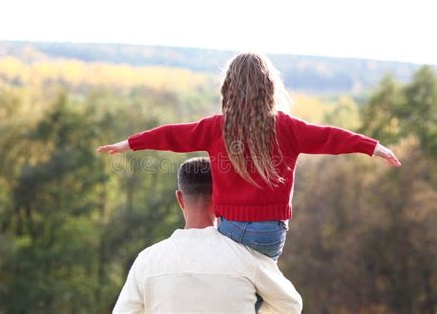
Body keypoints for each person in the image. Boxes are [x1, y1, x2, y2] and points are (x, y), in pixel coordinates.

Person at [97, 52, 401, 261]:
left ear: (228, 88)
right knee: (259, 284)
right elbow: (331, 137)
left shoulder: (216, 127)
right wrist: (373, 146)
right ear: (269, 88)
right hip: (270, 233)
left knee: (235, 281)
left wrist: (128, 144)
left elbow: (171, 135)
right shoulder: (288, 127)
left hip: (229, 229)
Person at [112, 157, 302, 314]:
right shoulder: (247, 257)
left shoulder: (147, 261)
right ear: (221, 197)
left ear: (180, 199)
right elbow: (290, 305)